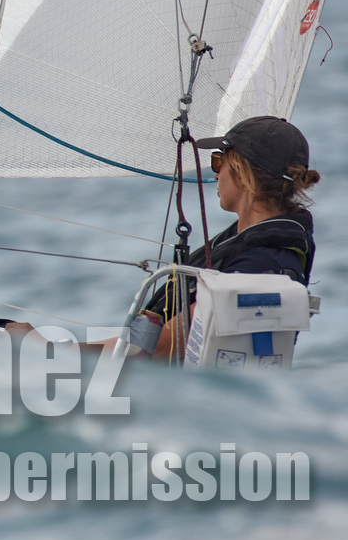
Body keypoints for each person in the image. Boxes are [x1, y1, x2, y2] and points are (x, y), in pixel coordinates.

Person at [130, 116, 322, 359]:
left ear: (242, 173)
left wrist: (79, 353)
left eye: (219, 161)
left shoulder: (258, 265)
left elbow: (154, 349)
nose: (216, 174)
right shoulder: (261, 246)